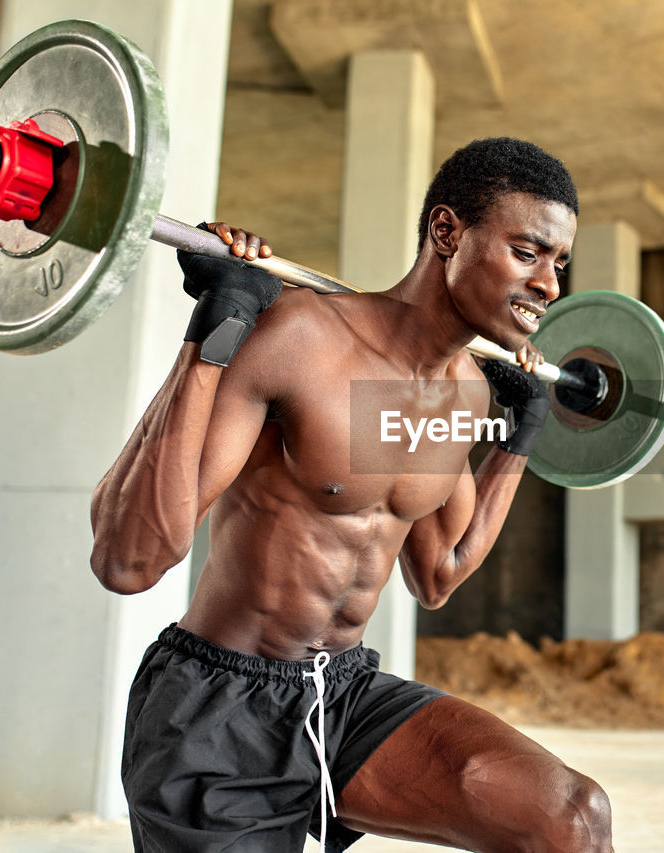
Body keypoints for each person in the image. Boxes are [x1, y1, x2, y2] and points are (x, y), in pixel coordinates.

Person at [89, 137, 614, 852]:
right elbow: (130, 560)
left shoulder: (464, 392)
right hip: (214, 708)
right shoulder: (303, 340)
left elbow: (438, 572)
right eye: (528, 252)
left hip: (341, 696)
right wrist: (216, 329)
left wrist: (517, 438)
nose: (550, 285)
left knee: (571, 816)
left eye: (558, 263)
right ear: (447, 233)